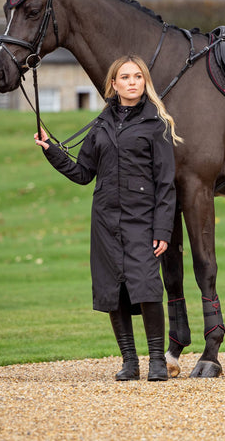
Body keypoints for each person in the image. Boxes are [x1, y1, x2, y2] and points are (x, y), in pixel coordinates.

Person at [34, 54, 182, 382]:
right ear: (113, 84)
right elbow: (83, 172)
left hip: (142, 219)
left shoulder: (156, 124)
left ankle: (157, 360)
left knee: (145, 286)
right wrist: (51, 150)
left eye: (138, 77)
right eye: (125, 77)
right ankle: (129, 362)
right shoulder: (100, 125)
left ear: (145, 83)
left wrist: (163, 229)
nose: (132, 82)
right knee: (112, 289)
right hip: (105, 220)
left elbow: (165, 184)